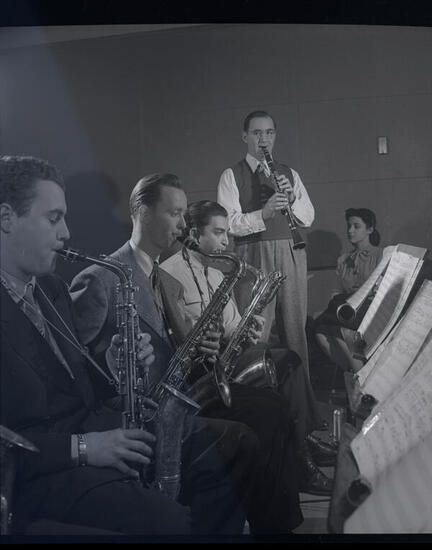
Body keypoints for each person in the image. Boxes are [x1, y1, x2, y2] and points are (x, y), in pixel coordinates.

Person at [0, 156, 257, 537]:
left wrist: (116, 365)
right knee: (169, 522)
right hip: (42, 473)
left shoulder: (51, 290)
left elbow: (73, 380)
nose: (66, 233)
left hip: (98, 431)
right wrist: (84, 448)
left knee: (237, 445)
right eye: (54, 219)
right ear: (6, 218)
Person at [70, 174, 305, 534]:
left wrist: (201, 346)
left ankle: (275, 527)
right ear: (143, 212)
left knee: (272, 408)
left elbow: (174, 348)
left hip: (180, 393)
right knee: (250, 430)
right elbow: (76, 368)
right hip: (144, 409)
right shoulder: (100, 278)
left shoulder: (167, 281)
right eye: (174, 213)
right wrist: (116, 365)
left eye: (183, 214)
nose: (183, 225)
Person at [161, 200, 335, 498]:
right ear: (194, 234)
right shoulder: (169, 273)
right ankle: (303, 457)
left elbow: (232, 326)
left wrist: (248, 327)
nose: (226, 242)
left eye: (226, 233)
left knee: (287, 360)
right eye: (218, 233)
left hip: (227, 360)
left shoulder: (218, 273)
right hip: (201, 371)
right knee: (280, 374)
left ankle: (302, 444)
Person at [217, 110, 314, 381]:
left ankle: (299, 396)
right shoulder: (230, 175)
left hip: (291, 252)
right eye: (257, 133)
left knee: (295, 330)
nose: (264, 139)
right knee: (255, 330)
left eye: (269, 133)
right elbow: (228, 224)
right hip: (252, 254)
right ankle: (258, 394)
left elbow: (308, 217)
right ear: (244, 137)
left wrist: (292, 199)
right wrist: (263, 214)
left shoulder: (289, 173)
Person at [314, 208, 383, 373]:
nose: (350, 230)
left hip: (370, 311)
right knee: (320, 333)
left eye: (356, 226)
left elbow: (381, 290)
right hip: (346, 310)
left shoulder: (380, 255)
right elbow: (336, 291)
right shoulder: (343, 260)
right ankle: (353, 373)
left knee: (338, 329)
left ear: (370, 229)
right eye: (349, 226)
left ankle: (360, 376)